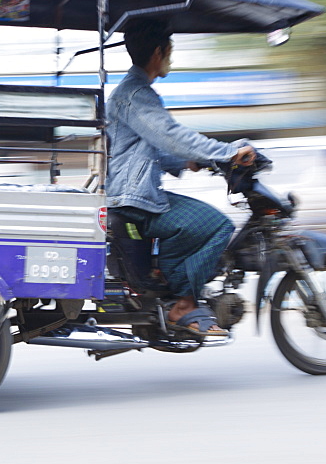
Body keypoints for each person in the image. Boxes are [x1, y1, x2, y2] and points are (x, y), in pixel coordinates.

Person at [106, 20, 255, 338]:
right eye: (170, 51)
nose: (171, 57)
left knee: (193, 223)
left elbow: (151, 147)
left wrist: (192, 159)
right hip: (133, 199)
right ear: (159, 52)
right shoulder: (135, 95)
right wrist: (227, 152)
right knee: (218, 226)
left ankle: (172, 286)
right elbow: (169, 134)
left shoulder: (135, 93)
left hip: (135, 194)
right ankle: (184, 304)